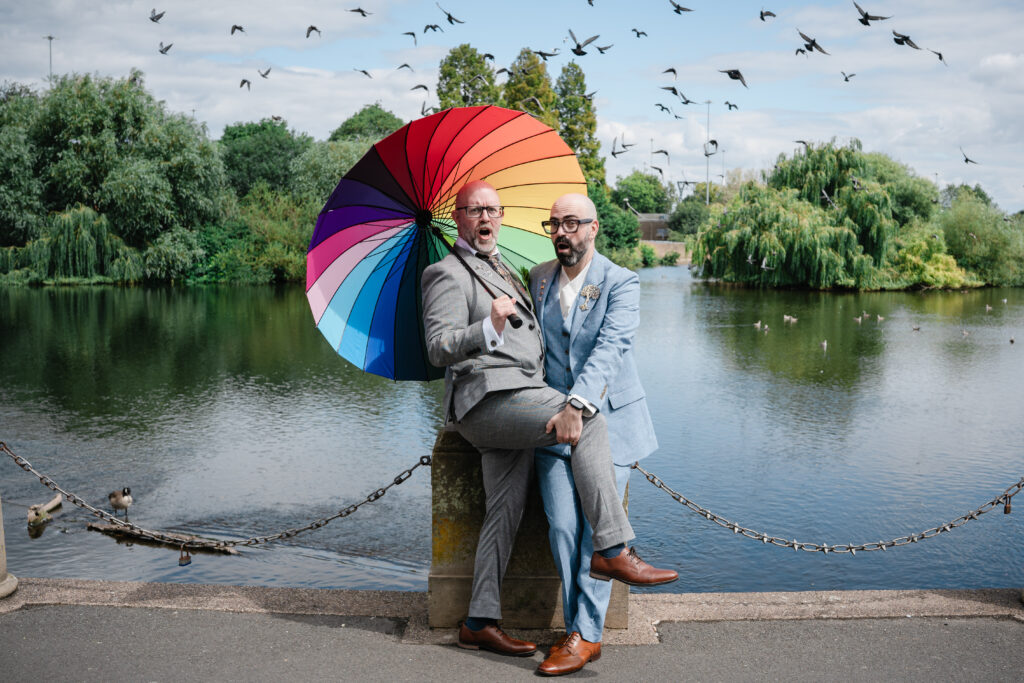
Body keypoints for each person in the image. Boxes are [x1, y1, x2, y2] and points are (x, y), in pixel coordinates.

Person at [421, 180, 676, 659]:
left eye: (493, 210)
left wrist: (570, 400)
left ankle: (480, 620)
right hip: (498, 404)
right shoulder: (447, 272)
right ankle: (614, 550)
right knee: (581, 436)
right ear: (456, 217)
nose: (486, 219)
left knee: (505, 508)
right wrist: (486, 327)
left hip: (545, 407)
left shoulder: (533, 273)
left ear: (592, 228)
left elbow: (608, 349)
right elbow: (439, 347)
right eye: (475, 210)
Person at [529, 192, 660, 676]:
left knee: (593, 537)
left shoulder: (621, 282)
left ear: (593, 228)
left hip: (610, 425)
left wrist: (578, 406)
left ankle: (584, 635)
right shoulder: (539, 278)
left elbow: (611, 348)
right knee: (563, 528)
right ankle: (581, 630)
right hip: (552, 429)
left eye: (570, 223)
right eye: (553, 225)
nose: (561, 232)